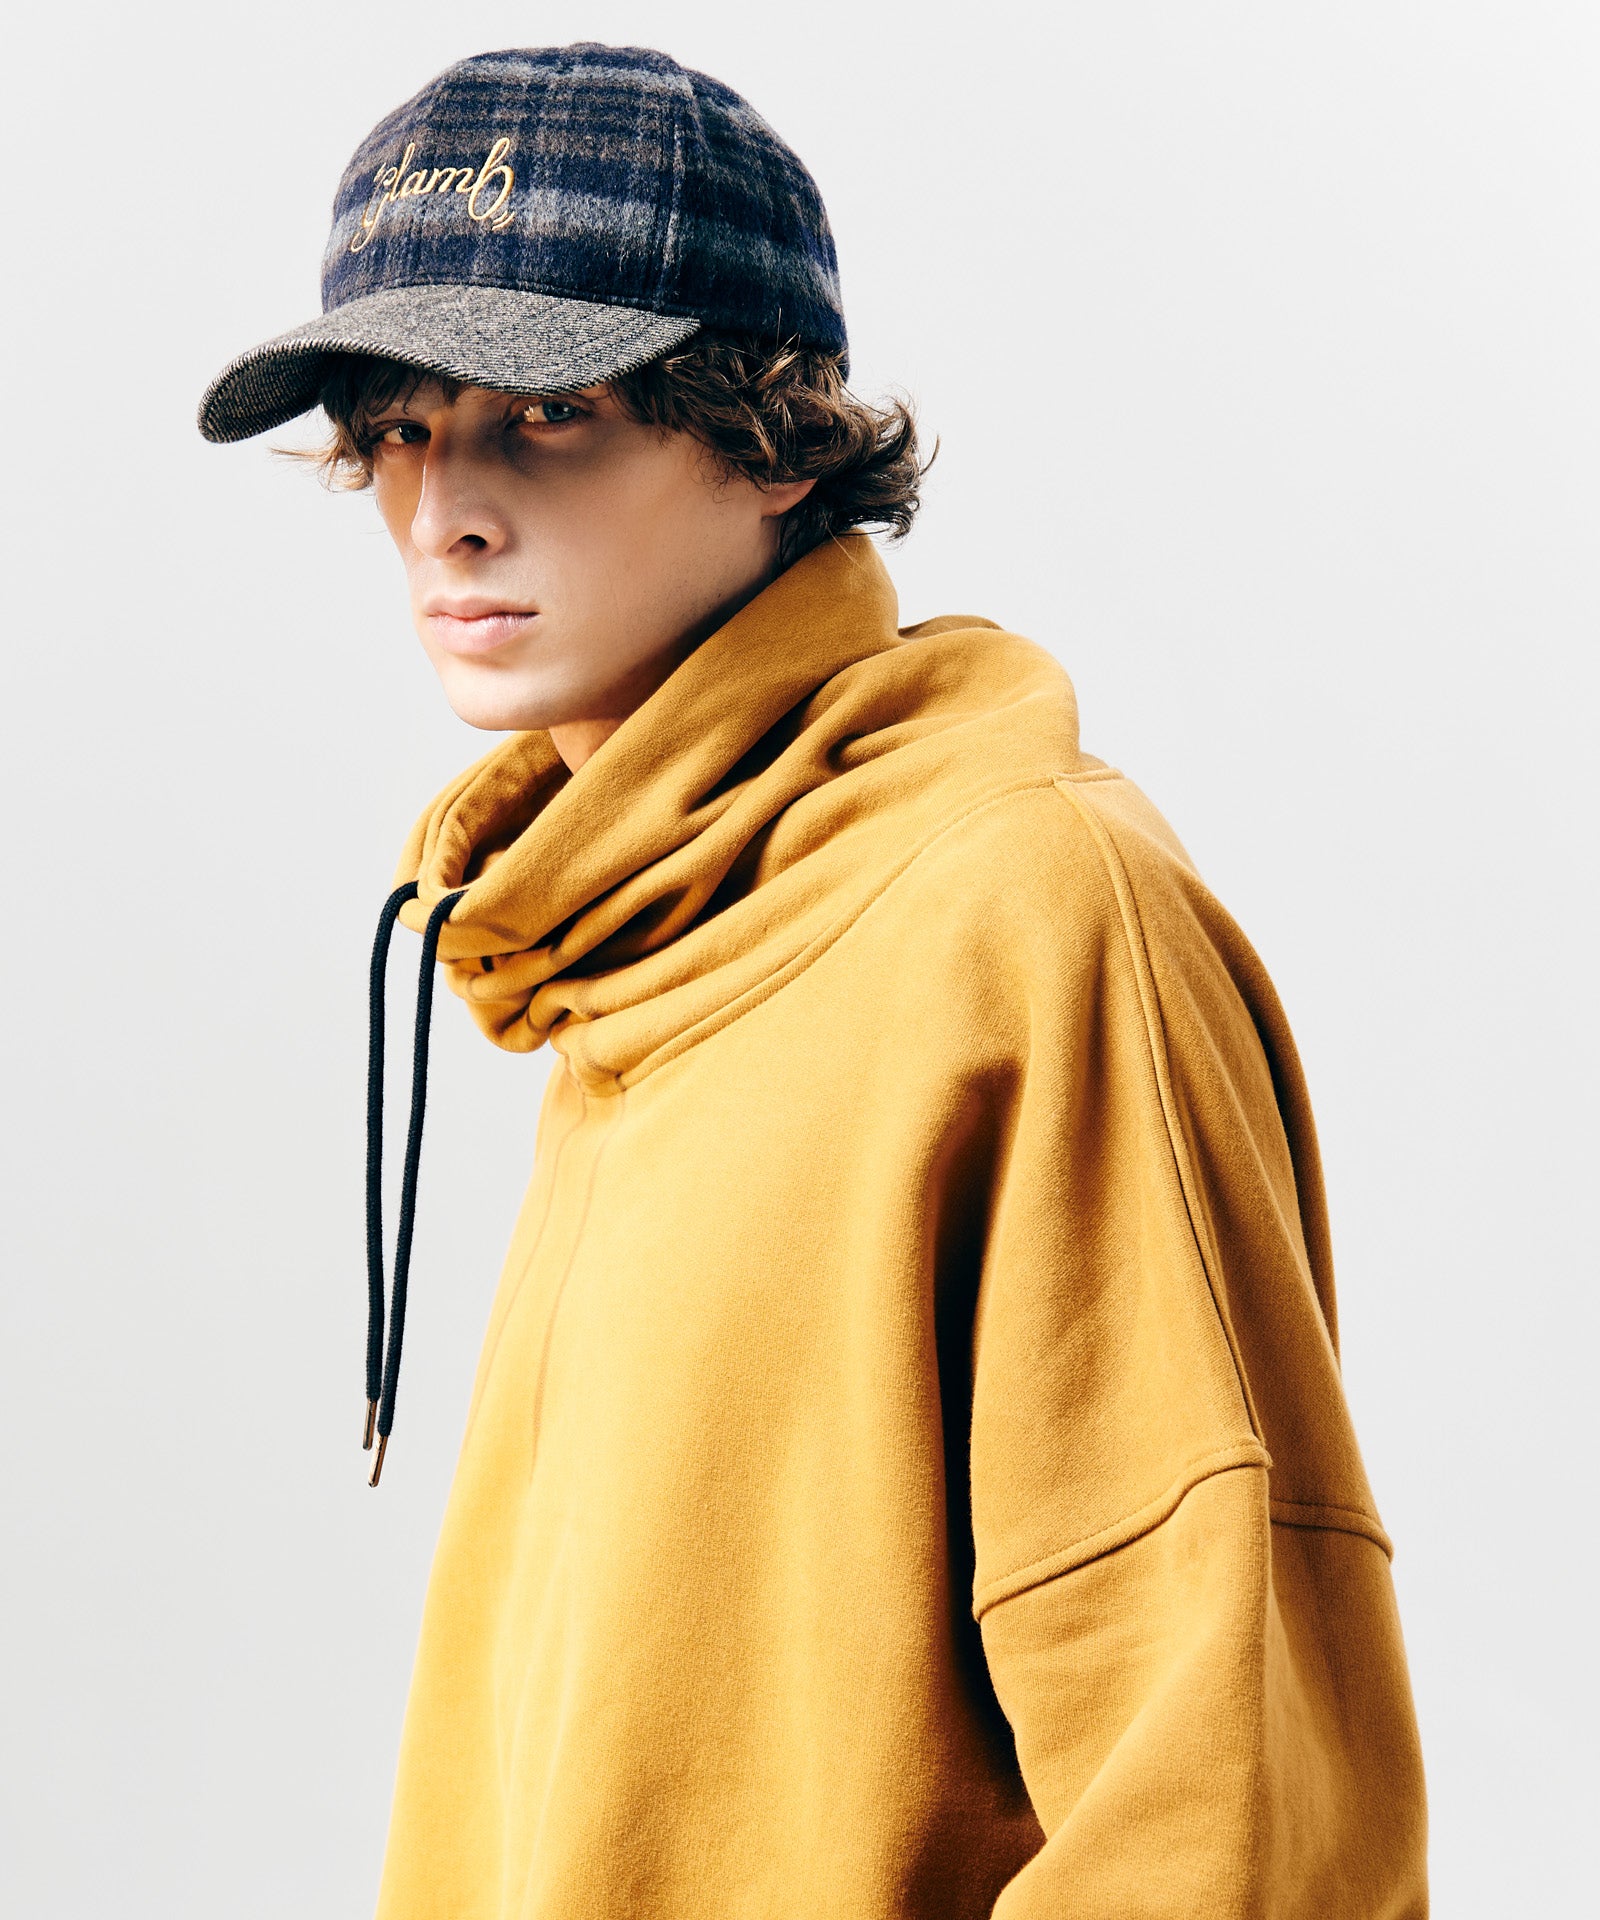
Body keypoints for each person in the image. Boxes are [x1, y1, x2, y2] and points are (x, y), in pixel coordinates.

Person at [199, 41, 1428, 1920]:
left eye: (547, 415)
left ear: (774, 439)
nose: (444, 510)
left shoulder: (1024, 913)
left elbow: (1219, 1794)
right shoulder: (613, 938)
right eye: (398, 428)